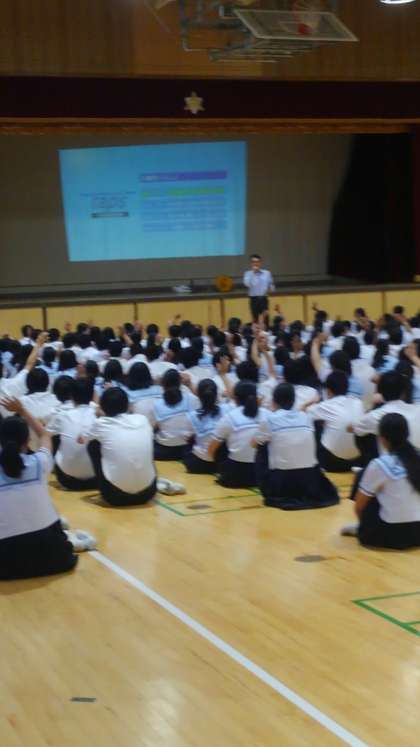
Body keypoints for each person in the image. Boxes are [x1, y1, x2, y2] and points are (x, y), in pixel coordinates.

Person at [0, 398, 95, 580]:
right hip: (54, 558)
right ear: (28, 440)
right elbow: (45, 434)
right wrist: (22, 410)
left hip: (5, 566)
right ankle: (73, 541)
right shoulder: (39, 463)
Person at [253, 383, 339, 510]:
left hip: (282, 479)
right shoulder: (307, 417)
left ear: (274, 401)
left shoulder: (269, 419)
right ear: (294, 400)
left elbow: (253, 444)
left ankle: (269, 488)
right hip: (309, 477)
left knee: (262, 446)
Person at [342, 413, 420, 549]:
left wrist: (364, 526)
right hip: (418, 533)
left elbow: (359, 507)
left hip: (390, 535)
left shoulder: (379, 464)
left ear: (382, 438)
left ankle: (361, 528)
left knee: (367, 489)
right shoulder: (416, 459)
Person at [84, 387, 157, 506]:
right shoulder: (142, 419)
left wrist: (98, 415)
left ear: (102, 407)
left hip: (114, 496)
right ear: (127, 405)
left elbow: (81, 439)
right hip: (148, 493)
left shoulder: (101, 423)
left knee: (93, 444)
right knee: (141, 444)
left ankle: (99, 482)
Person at [208, 381, 267, 488]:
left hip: (235, 475)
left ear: (235, 399)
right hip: (261, 473)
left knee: (220, 440)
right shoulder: (268, 414)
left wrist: (219, 467)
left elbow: (211, 449)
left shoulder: (230, 417)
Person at [304, 371, 363, 473]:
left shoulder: (327, 405)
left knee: (314, 422)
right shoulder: (358, 402)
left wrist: (314, 400)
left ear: (328, 390)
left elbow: (303, 412)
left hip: (331, 462)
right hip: (356, 460)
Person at [47, 378, 98, 491]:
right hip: (96, 479)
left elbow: (45, 435)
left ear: (71, 396)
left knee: (54, 436)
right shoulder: (99, 414)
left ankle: (49, 467)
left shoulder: (62, 415)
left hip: (68, 481)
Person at [183, 379, 230, 474]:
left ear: (198, 396)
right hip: (221, 462)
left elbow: (185, 438)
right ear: (216, 395)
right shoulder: (227, 409)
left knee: (189, 440)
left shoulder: (191, 416)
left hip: (199, 463)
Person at [243, 254, 275, 323]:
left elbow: (272, 286)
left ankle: (266, 329)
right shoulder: (247, 274)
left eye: (257, 262)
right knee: (255, 320)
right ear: (251, 263)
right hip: (253, 299)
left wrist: (270, 289)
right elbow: (247, 284)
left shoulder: (267, 273)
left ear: (260, 263)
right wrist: (253, 273)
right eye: (253, 262)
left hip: (264, 299)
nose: (255, 263)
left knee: (266, 320)